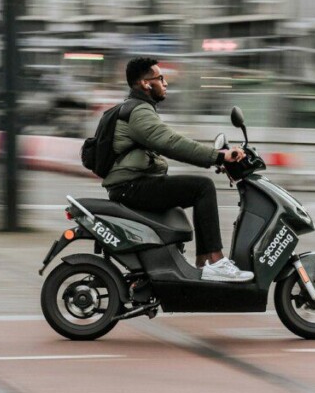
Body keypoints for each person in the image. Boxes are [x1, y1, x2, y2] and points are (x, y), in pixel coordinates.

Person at [103, 57, 253, 282]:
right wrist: (218, 156)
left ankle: (202, 265)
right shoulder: (139, 112)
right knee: (202, 187)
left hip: (131, 184)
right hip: (131, 186)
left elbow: (168, 141)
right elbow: (171, 143)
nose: (165, 83)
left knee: (195, 189)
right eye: (160, 78)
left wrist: (216, 157)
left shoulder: (137, 109)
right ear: (145, 83)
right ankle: (216, 261)